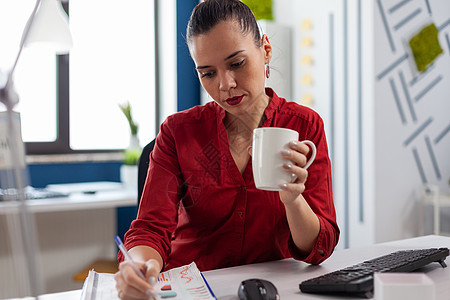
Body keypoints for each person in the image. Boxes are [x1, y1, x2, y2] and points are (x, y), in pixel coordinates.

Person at [114, 0, 339, 299]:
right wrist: (139, 267)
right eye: (208, 73)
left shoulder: (304, 125)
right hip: (195, 289)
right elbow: (150, 229)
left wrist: (293, 199)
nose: (226, 84)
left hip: (273, 291)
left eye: (237, 63)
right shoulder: (178, 132)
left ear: (266, 50)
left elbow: (319, 248)